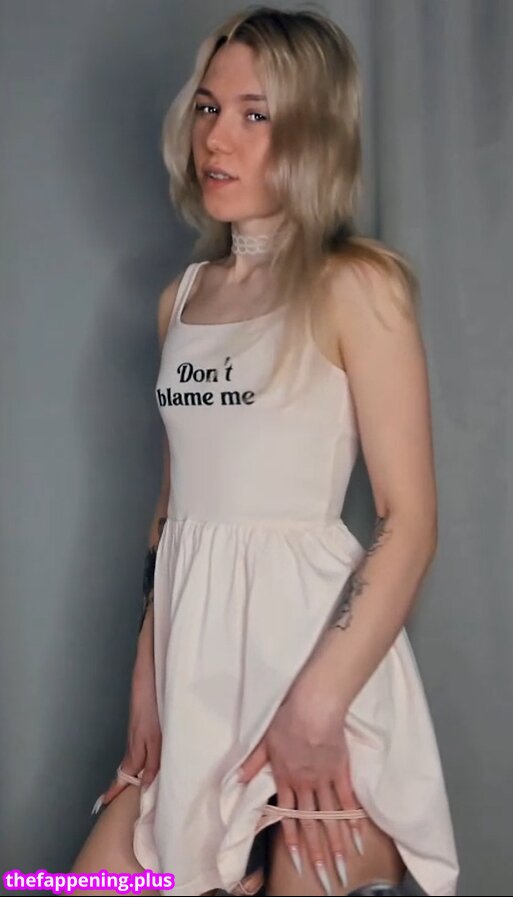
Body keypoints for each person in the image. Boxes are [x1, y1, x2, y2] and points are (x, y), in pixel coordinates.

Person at [70, 6, 459, 896]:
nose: (217, 138)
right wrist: (146, 671)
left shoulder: (357, 285)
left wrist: (316, 707)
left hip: (314, 663)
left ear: (314, 131)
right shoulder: (181, 299)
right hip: (194, 666)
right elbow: (173, 509)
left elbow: (409, 520)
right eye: (209, 108)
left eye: (256, 114)